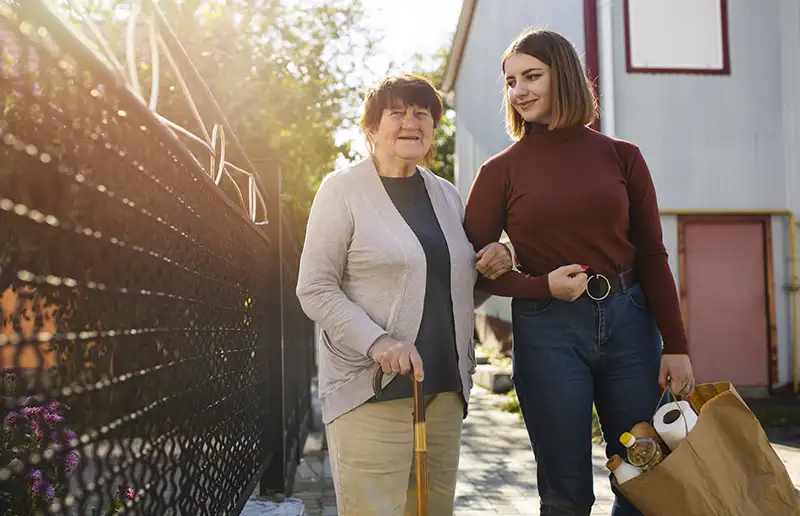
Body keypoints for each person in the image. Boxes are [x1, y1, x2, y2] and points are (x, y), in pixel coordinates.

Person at [462, 28, 696, 516]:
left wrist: (676, 345)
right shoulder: (499, 171)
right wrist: (535, 283)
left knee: (643, 477)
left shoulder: (622, 156)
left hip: (632, 324)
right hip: (548, 332)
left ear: (563, 75)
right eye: (510, 81)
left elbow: (652, 254)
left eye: (531, 76)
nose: (519, 90)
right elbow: (473, 271)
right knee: (566, 492)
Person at [296, 73, 512, 516]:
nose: (411, 121)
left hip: (444, 392)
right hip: (370, 393)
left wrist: (495, 263)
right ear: (371, 128)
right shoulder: (342, 191)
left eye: (422, 113)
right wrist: (379, 342)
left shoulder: (446, 195)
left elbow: (456, 288)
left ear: (433, 127)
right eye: (397, 112)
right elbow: (315, 287)